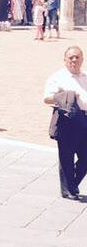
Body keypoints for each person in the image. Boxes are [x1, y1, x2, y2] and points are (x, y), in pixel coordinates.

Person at [44, 46, 87, 200]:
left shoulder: (85, 76)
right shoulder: (57, 77)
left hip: (84, 119)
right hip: (66, 120)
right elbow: (47, 98)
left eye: (77, 57)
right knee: (66, 157)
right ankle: (68, 189)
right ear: (65, 60)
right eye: (71, 57)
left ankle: (72, 184)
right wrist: (67, 95)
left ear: (82, 59)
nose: (74, 60)